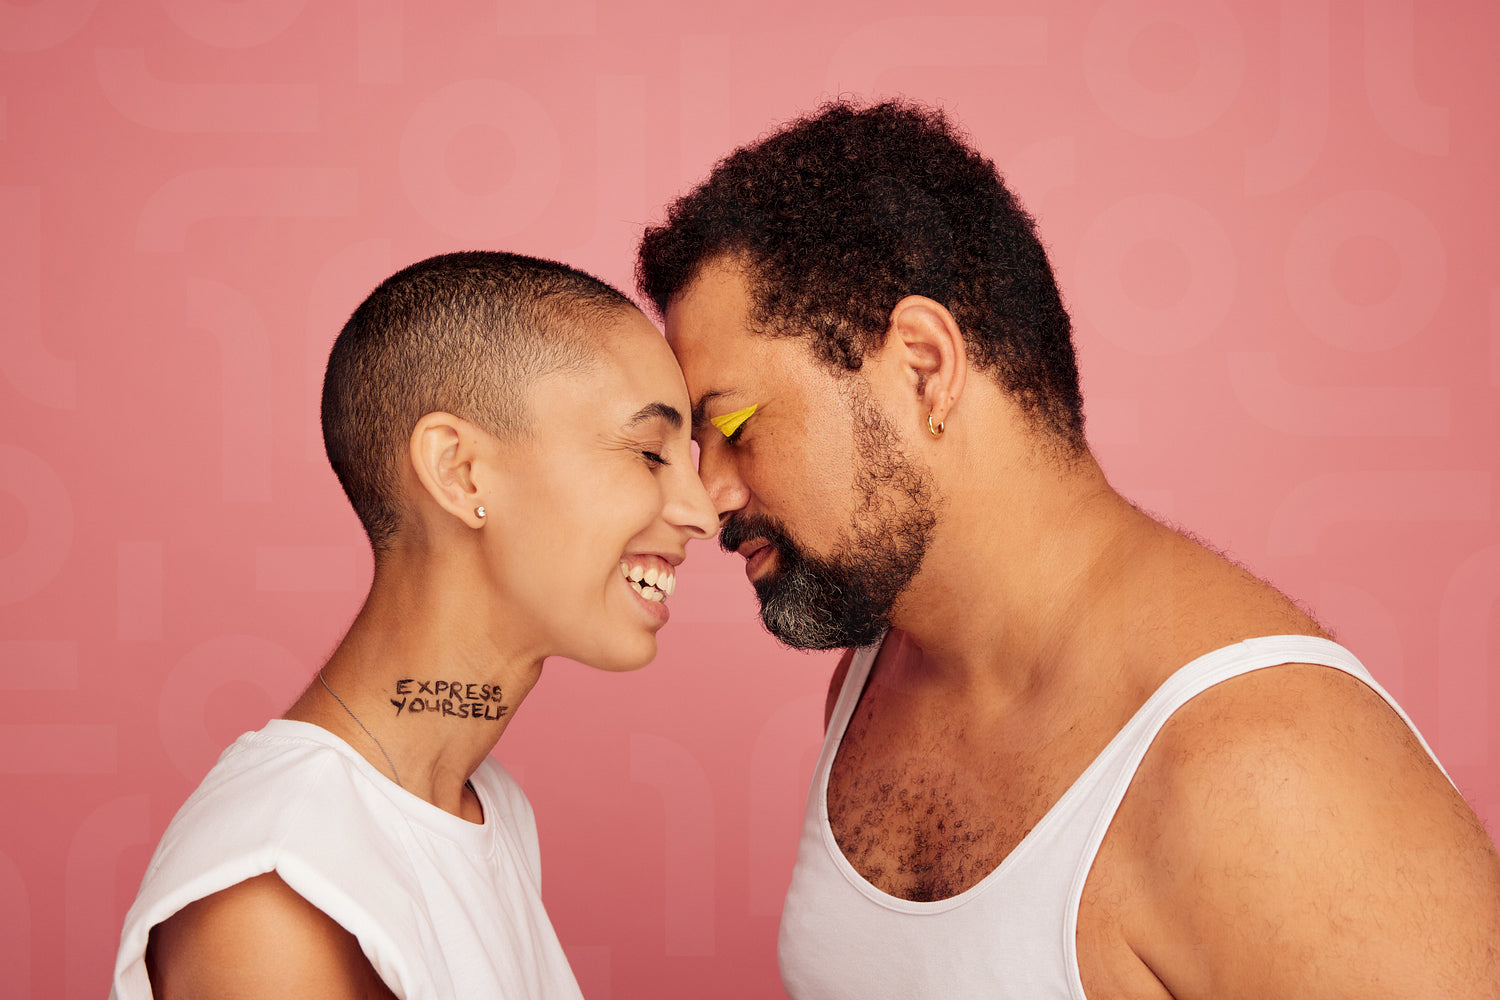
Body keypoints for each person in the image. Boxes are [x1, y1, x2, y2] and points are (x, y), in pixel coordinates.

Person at [637, 100, 1500, 999]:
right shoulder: (871, 679)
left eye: (733, 426)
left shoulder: (1265, 768)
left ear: (924, 366)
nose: (706, 495)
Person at [111, 251, 716, 999]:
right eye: (650, 453)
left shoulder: (477, 808)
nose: (702, 511)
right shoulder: (279, 902)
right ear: (460, 472)